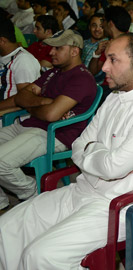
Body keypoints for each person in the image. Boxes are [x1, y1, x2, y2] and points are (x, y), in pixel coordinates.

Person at [0, 33, 133, 270]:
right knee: (6, 229)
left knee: (41, 257)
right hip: (85, 189)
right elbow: (79, 146)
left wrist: (94, 152)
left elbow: (113, 167)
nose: (103, 67)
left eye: (113, 60)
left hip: (123, 205)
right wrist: (99, 153)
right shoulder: (115, 97)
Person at [0, 29, 96, 211]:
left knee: (1, 163)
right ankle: (2, 201)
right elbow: (21, 96)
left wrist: (32, 105)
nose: (51, 52)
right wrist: (43, 102)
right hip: (30, 125)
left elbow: (51, 116)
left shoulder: (81, 78)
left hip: (55, 133)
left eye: (58, 48)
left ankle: (32, 192)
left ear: (74, 51)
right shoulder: (53, 73)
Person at [0, 17, 41, 108]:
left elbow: (25, 99)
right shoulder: (3, 56)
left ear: (2, 41)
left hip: (8, 114)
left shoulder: (23, 60)